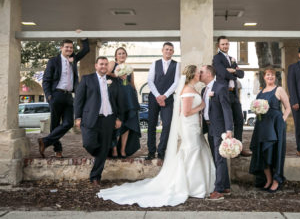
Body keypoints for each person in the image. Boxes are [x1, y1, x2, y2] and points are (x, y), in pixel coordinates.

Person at [97, 65, 215, 206]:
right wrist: (201, 106)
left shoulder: (192, 89)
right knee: (192, 152)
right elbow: (186, 112)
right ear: (193, 75)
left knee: (195, 152)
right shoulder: (188, 90)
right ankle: (192, 186)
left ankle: (198, 184)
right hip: (190, 127)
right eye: (198, 72)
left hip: (194, 127)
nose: (200, 74)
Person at [74, 57, 124, 186]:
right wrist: (78, 117)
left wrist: (118, 118)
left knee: (103, 147)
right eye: (101, 64)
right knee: (89, 143)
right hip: (90, 118)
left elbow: (119, 101)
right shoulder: (87, 79)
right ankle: (101, 154)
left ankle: (95, 177)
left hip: (109, 119)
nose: (104, 66)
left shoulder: (113, 81)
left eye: (106, 64)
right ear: (96, 65)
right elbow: (79, 100)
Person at [39, 38, 90, 158]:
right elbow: (46, 80)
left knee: (68, 123)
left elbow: (86, 49)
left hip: (68, 96)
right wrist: (49, 96)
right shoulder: (53, 61)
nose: (69, 49)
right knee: (55, 125)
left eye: (71, 47)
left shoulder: (74, 59)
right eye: (66, 47)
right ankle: (58, 150)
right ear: (61, 48)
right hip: (56, 95)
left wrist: (84, 38)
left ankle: (45, 141)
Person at [249, 67, 291, 193]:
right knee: (263, 152)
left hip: (276, 125)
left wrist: (282, 121)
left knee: (275, 152)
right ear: (264, 77)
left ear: (275, 77)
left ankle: (276, 180)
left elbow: (288, 108)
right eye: (268, 75)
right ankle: (268, 179)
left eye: (272, 75)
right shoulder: (260, 92)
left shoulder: (279, 89)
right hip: (262, 125)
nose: (270, 77)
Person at [212, 36, 251, 157]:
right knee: (227, 121)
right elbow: (221, 73)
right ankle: (228, 147)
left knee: (239, 119)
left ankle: (238, 147)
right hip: (224, 92)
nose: (225, 46)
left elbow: (242, 74)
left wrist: (233, 70)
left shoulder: (231, 59)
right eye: (223, 44)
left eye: (227, 44)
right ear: (218, 46)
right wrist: (234, 72)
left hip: (234, 93)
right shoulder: (216, 58)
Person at [200, 65, 234, 201]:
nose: (200, 74)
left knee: (219, 158)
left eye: (201, 72)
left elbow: (227, 109)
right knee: (216, 158)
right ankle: (225, 186)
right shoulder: (204, 89)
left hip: (220, 128)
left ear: (209, 73)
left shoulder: (220, 87)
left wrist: (228, 130)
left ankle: (218, 189)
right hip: (209, 128)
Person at [146, 42, 180, 160]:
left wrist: (164, 96)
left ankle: (161, 151)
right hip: (154, 98)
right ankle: (151, 151)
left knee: (167, 124)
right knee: (151, 125)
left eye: (171, 50)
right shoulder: (155, 63)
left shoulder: (177, 65)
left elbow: (176, 82)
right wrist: (157, 96)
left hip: (168, 99)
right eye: (166, 49)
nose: (168, 51)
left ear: (173, 52)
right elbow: (150, 80)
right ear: (162, 50)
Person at [107, 47, 141, 159]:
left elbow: (132, 83)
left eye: (123, 53)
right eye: (119, 53)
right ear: (116, 56)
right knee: (118, 122)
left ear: (126, 55)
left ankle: (123, 149)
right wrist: (117, 74)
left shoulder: (130, 68)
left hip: (129, 97)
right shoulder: (113, 63)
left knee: (128, 123)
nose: (121, 55)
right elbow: (106, 72)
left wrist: (135, 98)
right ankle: (114, 148)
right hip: (116, 96)